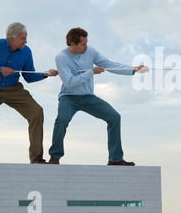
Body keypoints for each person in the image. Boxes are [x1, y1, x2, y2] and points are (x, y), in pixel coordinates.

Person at [48, 27, 148, 166]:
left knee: (114, 117)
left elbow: (109, 64)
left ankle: (115, 159)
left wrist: (133, 69)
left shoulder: (91, 51)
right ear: (72, 44)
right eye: (83, 44)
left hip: (88, 97)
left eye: (86, 43)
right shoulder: (61, 57)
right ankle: (55, 157)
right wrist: (91, 72)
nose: (86, 46)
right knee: (62, 119)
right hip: (69, 97)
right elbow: (69, 83)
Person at [0, 22, 58, 164]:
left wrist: (46, 74)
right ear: (11, 39)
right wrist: (0, 69)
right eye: (23, 38)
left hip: (13, 88)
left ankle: (36, 158)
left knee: (37, 112)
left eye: (26, 37)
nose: (26, 41)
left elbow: (29, 77)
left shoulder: (26, 52)